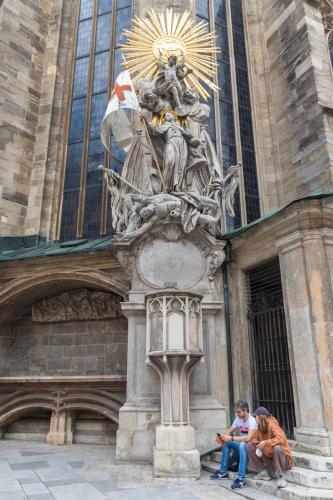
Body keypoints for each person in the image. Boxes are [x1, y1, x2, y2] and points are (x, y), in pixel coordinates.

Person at [210, 400, 257, 490]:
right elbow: (230, 430)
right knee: (228, 443)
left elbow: (248, 438)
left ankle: (241, 479)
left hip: (252, 449)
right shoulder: (238, 419)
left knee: (243, 444)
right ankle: (223, 472)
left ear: (246, 410)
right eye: (236, 412)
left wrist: (231, 438)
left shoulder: (252, 421)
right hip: (242, 447)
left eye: (239, 412)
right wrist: (223, 437)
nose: (237, 414)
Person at [247, 407, 294, 488]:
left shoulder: (272, 424)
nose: (254, 419)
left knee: (277, 447)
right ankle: (262, 472)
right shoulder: (260, 427)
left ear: (260, 417)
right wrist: (257, 443)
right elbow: (254, 438)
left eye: (255, 417)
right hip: (270, 458)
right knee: (250, 445)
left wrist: (265, 442)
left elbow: (281, 438)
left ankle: (281, 477)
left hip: (283, 461)